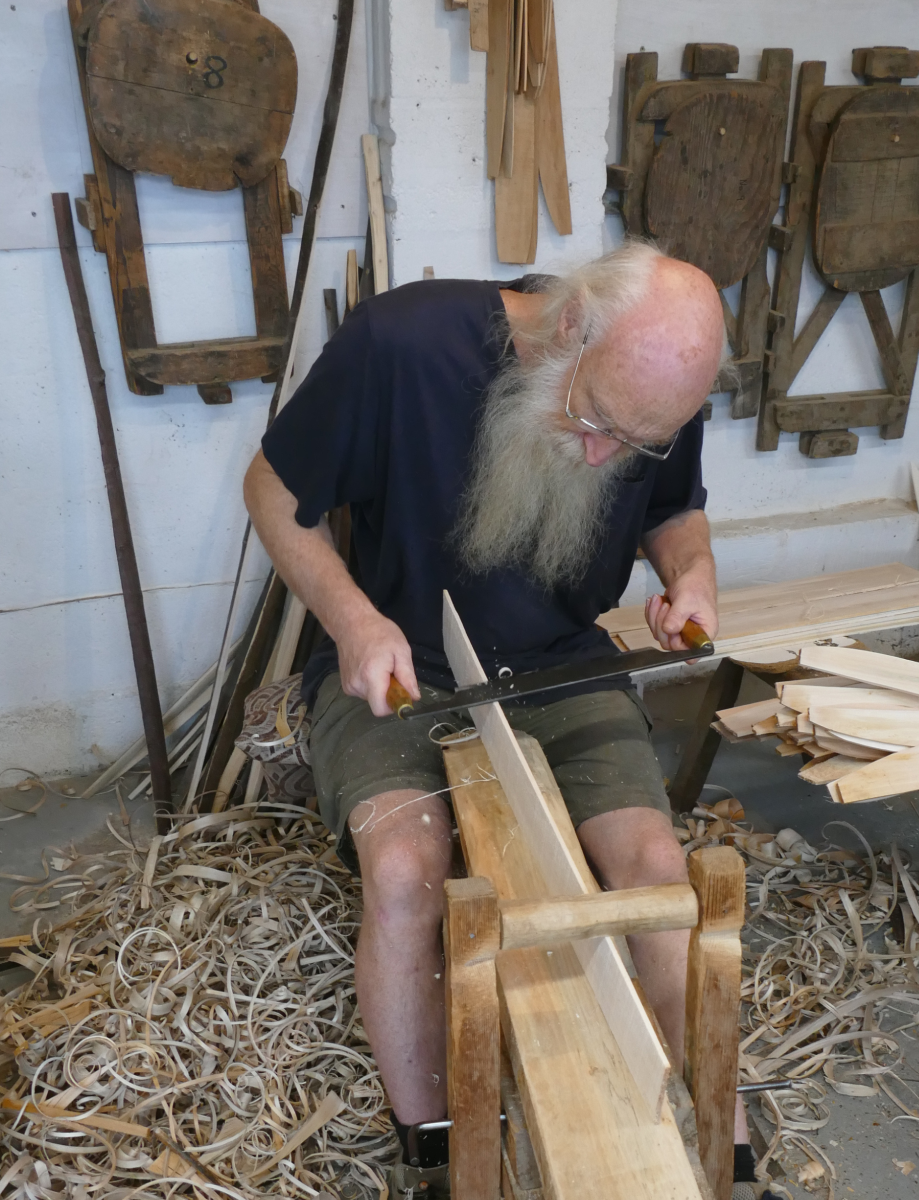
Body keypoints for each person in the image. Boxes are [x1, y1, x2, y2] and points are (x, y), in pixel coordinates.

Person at [243, 241, 751, 1194]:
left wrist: (693, 574)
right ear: (568, 328)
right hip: (402, 666)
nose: (607, 455)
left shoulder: (652, 388)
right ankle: (435, 1148)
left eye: (634, 444)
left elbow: (675, 510)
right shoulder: (404, 343)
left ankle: (726, 1138)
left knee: (655, 870)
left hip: (561, 664)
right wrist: (352, 622)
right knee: (404, 877)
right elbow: (272, 494)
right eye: (595, 420)